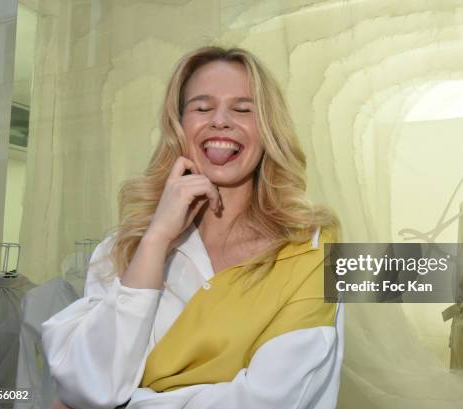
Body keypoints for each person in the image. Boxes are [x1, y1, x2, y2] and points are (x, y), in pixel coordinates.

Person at [41, 46, 343, 409]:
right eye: (202, 107)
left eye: (243, 109)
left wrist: (129, 402)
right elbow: (89, 386)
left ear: (267, 130)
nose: (220, 120)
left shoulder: (312, 249)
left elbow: (273, 399)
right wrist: (156, 239)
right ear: (178, 126)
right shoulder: (122, 247)